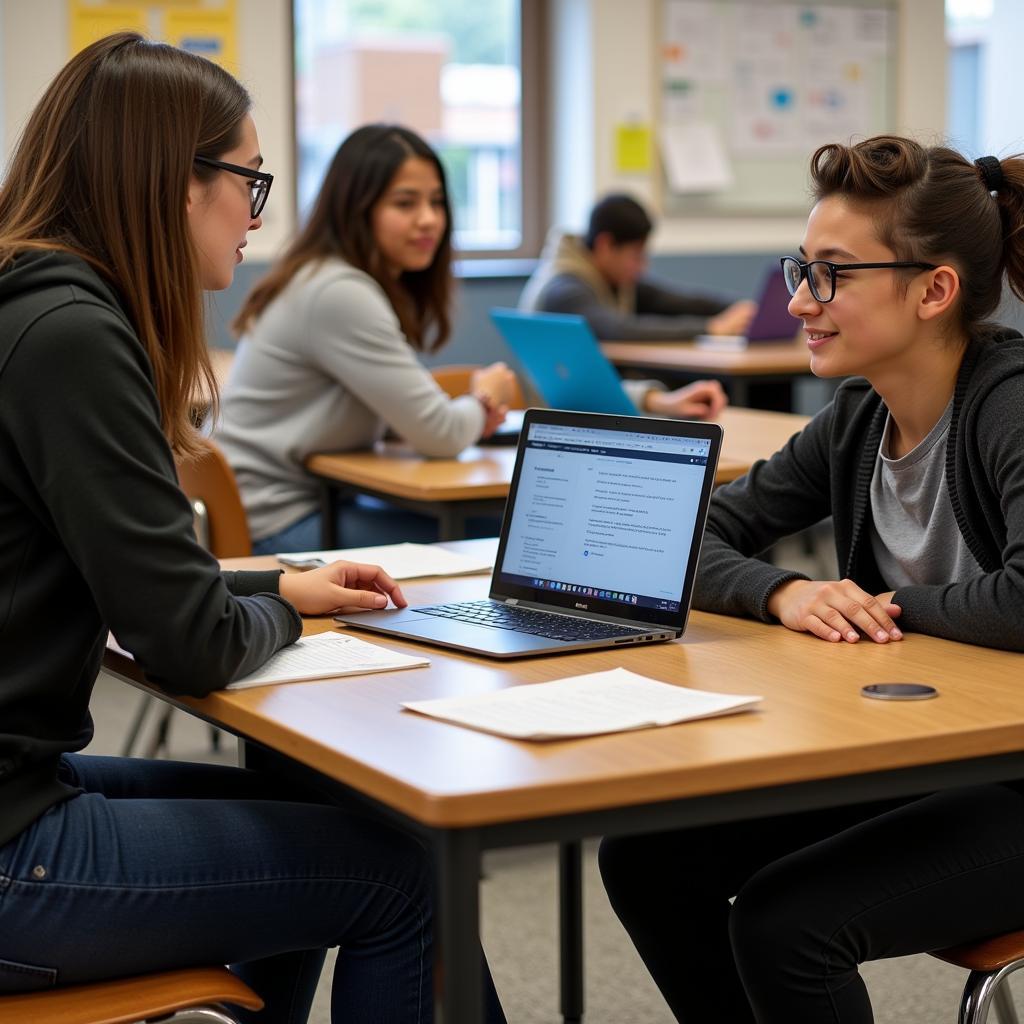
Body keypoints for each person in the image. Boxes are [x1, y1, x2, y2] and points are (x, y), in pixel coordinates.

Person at [0, 34, 504, 1023]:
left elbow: (132, 582)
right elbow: (187, 641)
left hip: (22, 790)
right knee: (404, 878)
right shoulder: (73, 335)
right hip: (17, 849)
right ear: (175, 183)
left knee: (328, 818)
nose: (255, 216)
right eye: (248, 181)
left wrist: (276, 589)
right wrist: (286, 622)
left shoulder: (34, 300)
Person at [598, 135, 1024, 1023]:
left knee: (787, 925)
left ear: (933, 289)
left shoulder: (1009, 406)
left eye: (830, 274)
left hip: (1012, 781)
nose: (799, 299)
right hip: (927, 755)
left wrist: (884, 607)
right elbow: (690, 531)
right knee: (646, 857)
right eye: (801, 267)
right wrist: (786, 592)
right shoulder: (860, 415)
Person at [214, 124, 518, 555]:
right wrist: (485, 398)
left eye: (436, 202)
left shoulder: (325, 277)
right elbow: (440, 433)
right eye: (404, 203)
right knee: (504, 534)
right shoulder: (340, 292)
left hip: (291, 506)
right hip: (278, 524)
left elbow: (411, 418)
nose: (428, 219)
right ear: (357, 208)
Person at [519, 192, 756, 342]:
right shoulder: (565, 288)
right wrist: (711, 328)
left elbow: (676, 300)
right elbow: (616, 330)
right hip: (554, 413)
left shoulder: (611, 278)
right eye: (635, 255)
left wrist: (743, 308)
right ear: (606, 245)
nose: (640, 267)